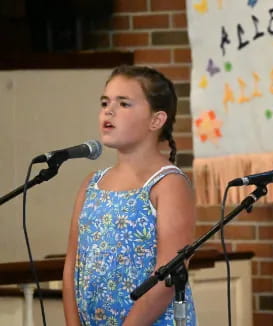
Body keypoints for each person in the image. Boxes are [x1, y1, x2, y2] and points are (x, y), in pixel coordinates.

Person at [62, 65, 197, 325]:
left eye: (124, 104)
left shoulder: (168, 183)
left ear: (156, 120)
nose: (109, 111)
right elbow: (71, 267)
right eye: (105, 102)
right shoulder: (92, 184)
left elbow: (167, 277)